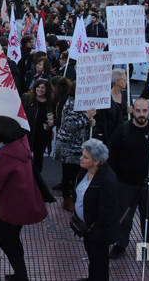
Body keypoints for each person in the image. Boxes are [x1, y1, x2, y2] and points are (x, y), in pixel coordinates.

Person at [0, 115, 47, 281]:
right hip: (23, 202)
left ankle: (21, 275)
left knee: (7, 242)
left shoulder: (5, 156)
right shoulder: (21, 146)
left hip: (11, 206)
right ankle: (20, 274)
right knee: (13, 240)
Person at [108, 98, 149, 259]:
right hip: (126, 183)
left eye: (145, 111)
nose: (142, 115)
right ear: (132, 110)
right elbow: (112, 156)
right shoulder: (122, 131)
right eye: (138, 111)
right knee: (125, 216)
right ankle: (121, 244)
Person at [75, 139, 121, 281]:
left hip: (98, 232)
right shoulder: (85, 172)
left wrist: (93, 228)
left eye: (85, 157)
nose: (81, 158)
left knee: (99, 261)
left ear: (97, 161)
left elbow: (108, 210)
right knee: (93, 258)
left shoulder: (107, 180)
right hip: (88, 229)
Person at [54, 80, 93, 212]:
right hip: (69, 147)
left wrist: (89, 121)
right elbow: (70, 125)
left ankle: (72, 197)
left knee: (75, 174)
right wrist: (87, 117)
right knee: (69, 175)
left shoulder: (79, 102)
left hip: (77, 146)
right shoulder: (73, 102)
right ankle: (67, 199)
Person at [22, 79, 55, 173]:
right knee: (25, 156)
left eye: (43, 88)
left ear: (47, 89)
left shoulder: (50, 102)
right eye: (38, 87)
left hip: (42, 134)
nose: (40, 89)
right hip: (28, 133)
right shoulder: (27, 98)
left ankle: (37, 179)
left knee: (38, 157)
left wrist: (52, 123)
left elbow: (55, 117)